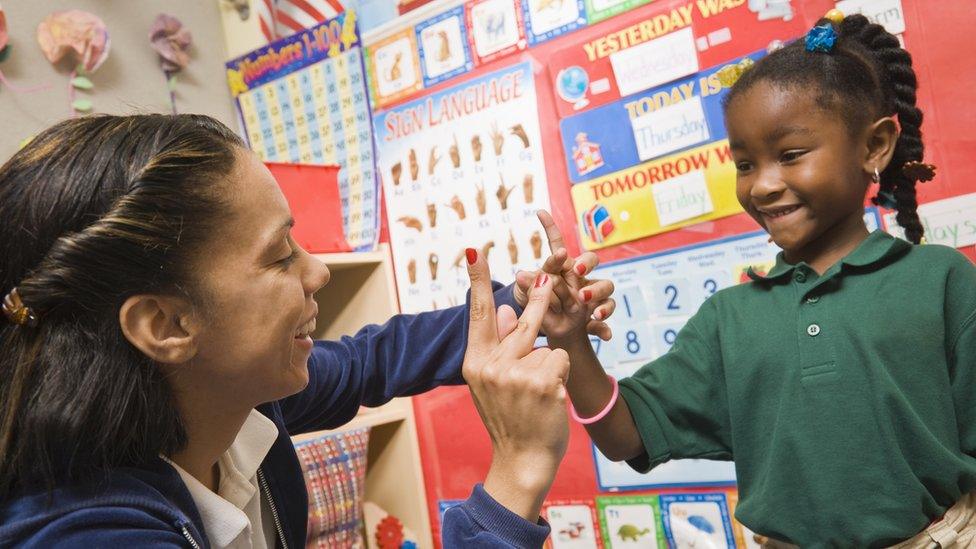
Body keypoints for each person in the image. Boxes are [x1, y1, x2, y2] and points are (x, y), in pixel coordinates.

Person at [0, 114, 614, 548]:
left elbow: (375, 360)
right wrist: (517, 471)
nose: (317, 271)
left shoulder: (240, 407)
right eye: (278, 256)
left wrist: (529, 303)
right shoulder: (81, 530)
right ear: (165, 325)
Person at [541, 12, 976, 548]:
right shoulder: (729, 318)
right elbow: (625, 434)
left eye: (790, 156)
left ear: (874, 146)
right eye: (745, 165)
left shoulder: (941, 282)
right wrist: (568, 339)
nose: (763, 185)